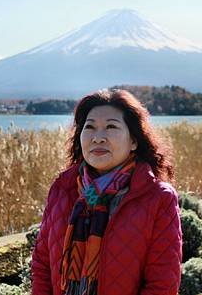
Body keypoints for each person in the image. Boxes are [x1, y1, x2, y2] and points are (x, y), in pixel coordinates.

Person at [31, 88, 182, 295]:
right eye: (90, 127)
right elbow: (41, 263)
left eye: (111, 127)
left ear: (134, 141)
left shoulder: (158, 197)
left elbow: (162, 284)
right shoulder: (63, 188)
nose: (98, 137)